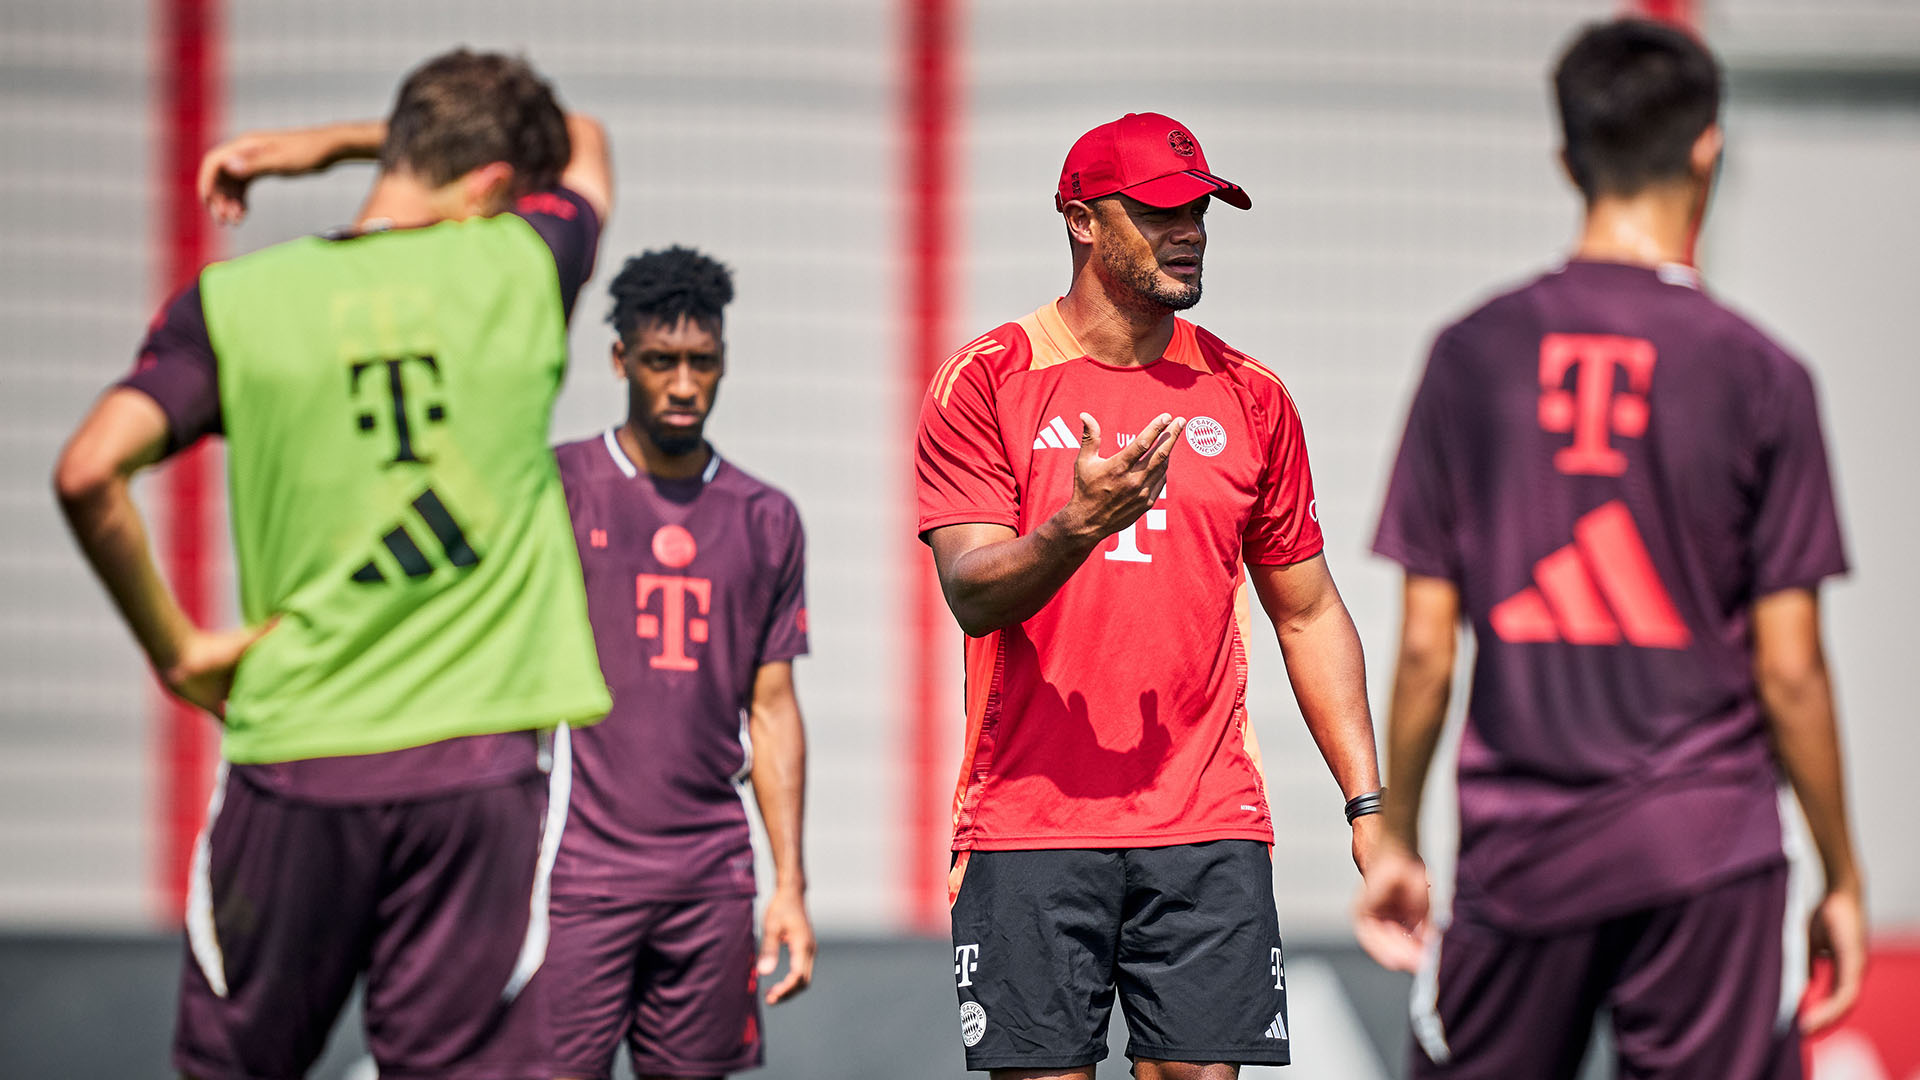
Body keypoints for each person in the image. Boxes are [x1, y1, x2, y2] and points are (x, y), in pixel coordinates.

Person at [52, 50, 616, 1080]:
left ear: (407, 153)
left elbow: (89, 473)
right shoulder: (521, 266)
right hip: (482, 766)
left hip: (296, 755)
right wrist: (336, 143)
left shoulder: (234, 303)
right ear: (495, 190)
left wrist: (178, 651)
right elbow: (586, 146)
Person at [1355, 18, 1868, 1080]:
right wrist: (1843, 877)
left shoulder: (1470, 355)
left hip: (1521, 852)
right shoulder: (1761, 372)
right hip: (1708, 850)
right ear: (1707, 148)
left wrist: (1396, 838)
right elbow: (1790, 666)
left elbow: (1423, 652)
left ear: (1566, 159)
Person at [915, 112, 1386, 1079]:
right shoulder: (989, 380)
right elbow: (971, 592)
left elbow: (1308, 610)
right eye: (1161, 210)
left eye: (1202, 209)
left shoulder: (1252, 396)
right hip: (1028, 822)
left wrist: (1368, 804)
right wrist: (1078, 525)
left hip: (1207, 821)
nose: (1191, 231)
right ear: (1082, 221)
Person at [545, 246, 815, 1080]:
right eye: (661, 361)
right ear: (622, 359)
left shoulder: (766, 518)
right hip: (569, 876)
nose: (684, 383)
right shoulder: (553, 491)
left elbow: (771, 710)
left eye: (702, 362)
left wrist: (790, 887)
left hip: (710, 879)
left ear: (724, 362)